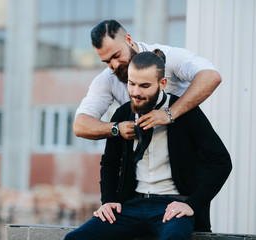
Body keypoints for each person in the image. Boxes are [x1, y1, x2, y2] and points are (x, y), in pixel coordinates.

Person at [65, 50, 232, 240]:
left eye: (144, 86)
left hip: (173, 206)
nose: (136, 92)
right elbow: (110, 162)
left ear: (162, 84)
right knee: (74, 239)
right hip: (132, 205)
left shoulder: (185, 113)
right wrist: (108, 200)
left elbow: (221, 161)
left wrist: (192, 204)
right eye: (132, 84)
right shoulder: (122, 114)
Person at [73, 19, 222, 140]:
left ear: (128, 39)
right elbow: (80, 125)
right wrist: (116, 128)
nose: (114, 65)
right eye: (106, 61)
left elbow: (211, 76)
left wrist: (169, 114)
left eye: (116, 55)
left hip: (185, 151)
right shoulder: (107, 78)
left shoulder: (170, 56)